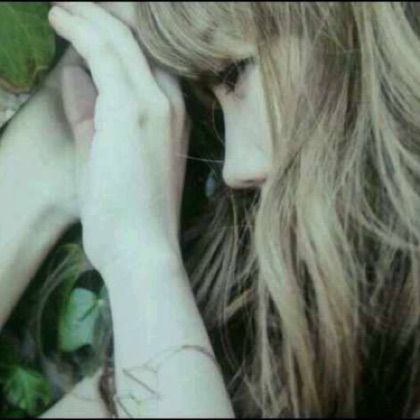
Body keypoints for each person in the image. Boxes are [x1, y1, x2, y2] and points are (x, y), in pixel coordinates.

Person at [2, 1, 420, 417]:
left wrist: (139, 253)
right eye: (213, 108)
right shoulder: (253, 338)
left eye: (236, 73)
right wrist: (40, 170)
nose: (234, 169)